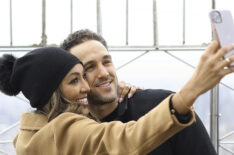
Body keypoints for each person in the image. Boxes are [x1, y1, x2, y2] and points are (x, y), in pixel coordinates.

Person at [61, 29, 234, 155]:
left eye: (106, 62)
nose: (104, 73)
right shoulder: (70, 131)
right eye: (90, 67)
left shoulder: (165, 105)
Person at [0, 47, 200, 155]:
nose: (86, 87)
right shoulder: (64, 129)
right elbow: (127, 139)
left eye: (83, 77)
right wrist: (184, 97)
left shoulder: (27, 137)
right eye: (75, 80)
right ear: (51, 91)